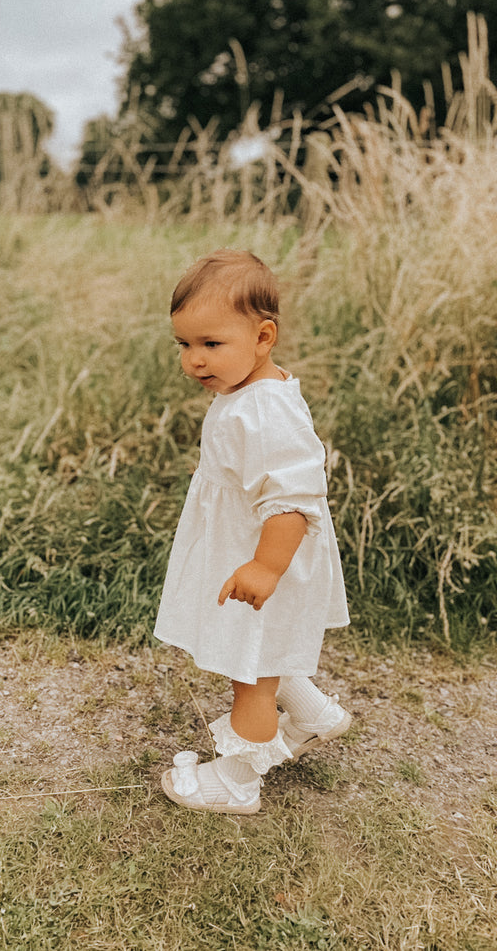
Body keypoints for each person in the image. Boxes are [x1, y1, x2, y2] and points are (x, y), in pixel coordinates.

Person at [154, 249, 351, 814]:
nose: (194, 360)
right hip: (248, 546)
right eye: (185, 345)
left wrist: (266, 567)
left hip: (269, 554)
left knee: (252, 673)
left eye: (211, 345)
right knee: (261, 650)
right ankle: (314, 715)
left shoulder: (264, 410)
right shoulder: (243, 392)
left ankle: (238, 781)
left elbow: (292, 500)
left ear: (263, 337)